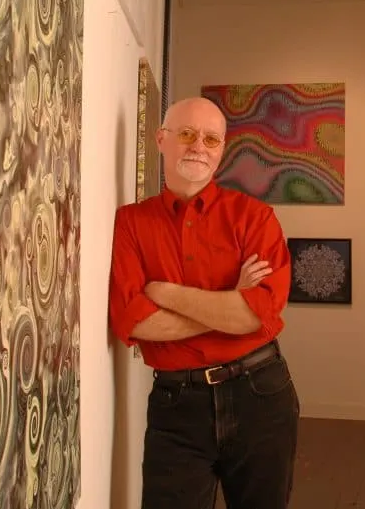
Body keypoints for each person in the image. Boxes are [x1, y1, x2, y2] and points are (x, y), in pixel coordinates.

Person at [107, 96, 299, 509]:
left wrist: (168, 295)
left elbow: (258, 313)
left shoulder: (255, 218)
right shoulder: (131, 222)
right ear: (161, 140)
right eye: (187, 134)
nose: (199, 146)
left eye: (211, 139)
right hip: (177, 407)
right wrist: (230, 305)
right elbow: (135, 321)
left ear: (222, 150)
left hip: (260, 396)